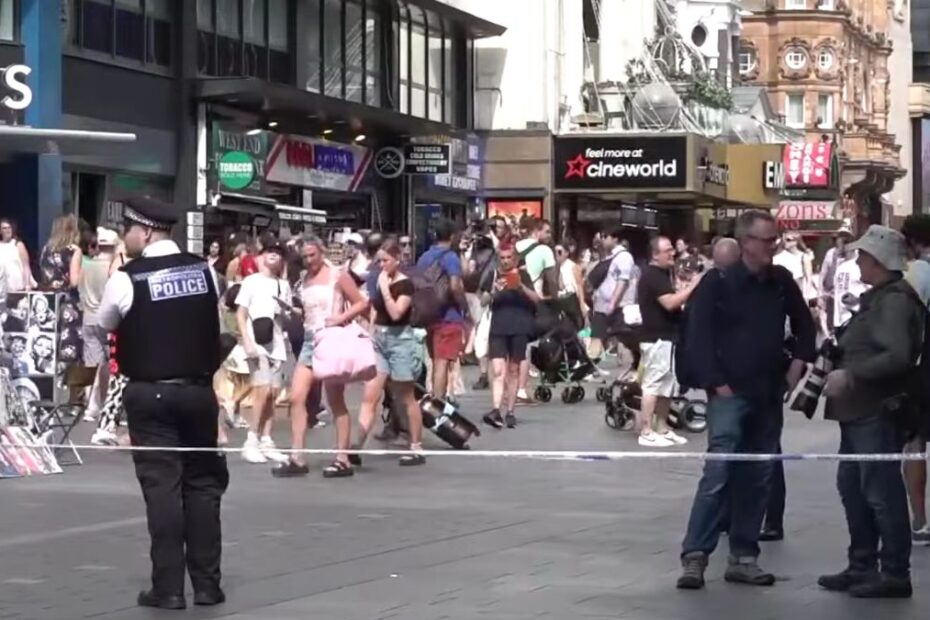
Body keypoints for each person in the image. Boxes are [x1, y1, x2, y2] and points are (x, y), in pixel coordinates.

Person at [97, 196, 228, 610]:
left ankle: (168, 588)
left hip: (150, 395)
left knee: (163, 488)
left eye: (129, 232)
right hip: (198, 393)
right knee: (204, 486)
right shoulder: (204, 270)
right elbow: (215, 323)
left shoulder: (127, 277)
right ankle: (208, 585)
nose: (126, 239)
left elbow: (106, 324)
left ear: (145, 231)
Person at [677, 210, 816, 590]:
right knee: (719, 472)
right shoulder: (718, 283)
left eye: (775, 239)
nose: (774, 245)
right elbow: (698, 336)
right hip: (730, 392)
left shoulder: (780, 281)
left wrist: (796, 368)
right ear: (746, 243)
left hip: (768, 391)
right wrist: (715, 382)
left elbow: (806, 325)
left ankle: (743, 555)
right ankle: (695, 555)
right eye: (767, 239)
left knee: (758, 476)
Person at [818, 225, 923, 599]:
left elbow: (897, 354)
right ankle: (862, 563)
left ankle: (894, 572)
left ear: (878, 261)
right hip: (859, 411)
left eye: (863, 255)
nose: (857, 260)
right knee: (854, 487)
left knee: (880, 491)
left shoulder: (894, 301)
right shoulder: (880, 297)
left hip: (874, 409)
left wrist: (852, 373)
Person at [273, 237, 368, 478]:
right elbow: (307, 310)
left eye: (312, 255)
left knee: (336, 399)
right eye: (304, 257)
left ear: (321, 252)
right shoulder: (303, 279)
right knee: (297, 397)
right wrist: (292, 312)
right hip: (309, 339)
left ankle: (342, 458)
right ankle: (297, 456)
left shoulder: (338, 275)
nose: (308, 260)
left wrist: (339, 318)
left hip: (331, 339)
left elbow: (361, 302)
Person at [364, 239, 427, 466]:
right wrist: (370, 331)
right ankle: (354, 446)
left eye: (386, 260)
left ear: (397, 260)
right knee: (371, 392)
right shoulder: (380, 279)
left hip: (400, 340)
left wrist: (385, 289)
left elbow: (396, 313)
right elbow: (374, 307)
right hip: (380, 339)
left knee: (406, 396)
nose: (381, 265)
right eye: (378, 261)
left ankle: (416, 446)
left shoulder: (405, 284)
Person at [635, 236, 702, 448]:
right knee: (653, 384)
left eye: (672, 249)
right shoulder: (652, 275)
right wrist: (692, 286)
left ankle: (662, 427)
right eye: (667, 250)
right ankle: (646, 430)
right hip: (655, 338)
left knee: (667, 384)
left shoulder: (663, 274)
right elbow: (670, 303)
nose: (672, 252)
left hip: (668, 337)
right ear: (655, 254)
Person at [235, 243, 291, 465]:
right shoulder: (251, 282)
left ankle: (266, 438)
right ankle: (251, 439)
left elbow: (284, 317)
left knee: (273, 392)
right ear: (262, 256)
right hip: (256, 343)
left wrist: (286, 310)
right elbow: (241, 313)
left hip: (276, 343)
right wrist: (247, 341)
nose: (273, 256)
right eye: (270, 252)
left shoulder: (283, 285)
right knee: (262, 389)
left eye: (278, 254)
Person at [482, 243, 539, 429]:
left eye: (509, 258)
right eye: (503, 258)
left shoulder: (523, 275)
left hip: (519, 327)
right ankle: (496, 409)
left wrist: (520, 286)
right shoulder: (493, 275)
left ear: (514, 258)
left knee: (513, 370)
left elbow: (537, 299)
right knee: (498, 370)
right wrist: (494, 291)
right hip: (498, 328)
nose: (506, 261)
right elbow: (483, 300)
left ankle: (511, 411)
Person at [900, 214, 930, 546]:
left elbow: (903, 309)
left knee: (915, 442)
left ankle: (920, 520)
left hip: (924, 367)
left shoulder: (919, 270)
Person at [416, 219, 468, 400]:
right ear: (452, 236)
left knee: (434, 359)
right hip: (449, 315)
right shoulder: (450, 257)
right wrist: (464, 306)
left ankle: (433, 397)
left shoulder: (424, 257)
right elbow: (455, 286)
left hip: (428, 314)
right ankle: (438, 403)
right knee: (443, 362)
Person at [514, 218, 558, 402]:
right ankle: (521, 390)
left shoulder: (514, 247)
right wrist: (555, 299)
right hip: (531, 301)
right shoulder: (544, 250)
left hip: (511, 298)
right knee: (525, 345)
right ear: (537, 231)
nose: (549, 236)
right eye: (547, 232)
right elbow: (552, 280)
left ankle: (506, 388)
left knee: (510, 345)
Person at [79, 228, 119, 422]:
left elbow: (80, 290)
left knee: (91, 363)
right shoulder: (112, 269)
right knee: (109, 365)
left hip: (88, 316)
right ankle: (104, 404)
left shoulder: (87, 265)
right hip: (106, 319)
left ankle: (90, 406)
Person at [40, 214, 83, 364]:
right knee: (69, 346)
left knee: (50, 344)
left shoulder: (46, 249)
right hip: (68, 302)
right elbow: (75, 281)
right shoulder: (73, 250)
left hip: (50, 302)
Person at [589, 228, 635, 363]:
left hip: (618, 307)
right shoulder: (608, 256)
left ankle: (628, 370)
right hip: (601, 306)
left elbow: (623, 280)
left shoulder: (624, 256)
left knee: (623, 341)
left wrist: (613, 302)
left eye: (605, 236)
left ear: (615, 239)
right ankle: (591, 368)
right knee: (596, 337)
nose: (602, 239)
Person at [556, 239, 587, 330]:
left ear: (566, 253)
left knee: (580, 331)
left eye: (559, 252)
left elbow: (579, 286)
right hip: (561, 304)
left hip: (573, 303)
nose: (557, 254)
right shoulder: (555, 268)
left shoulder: (573, 266)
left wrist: (582, 304)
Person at [0, 218, 32, 292]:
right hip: (2, 287)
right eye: (4, 228)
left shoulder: (18, 244)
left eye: (9, 228)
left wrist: (27, 284)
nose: (8, 230)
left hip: (17, 287)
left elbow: (26, 266)